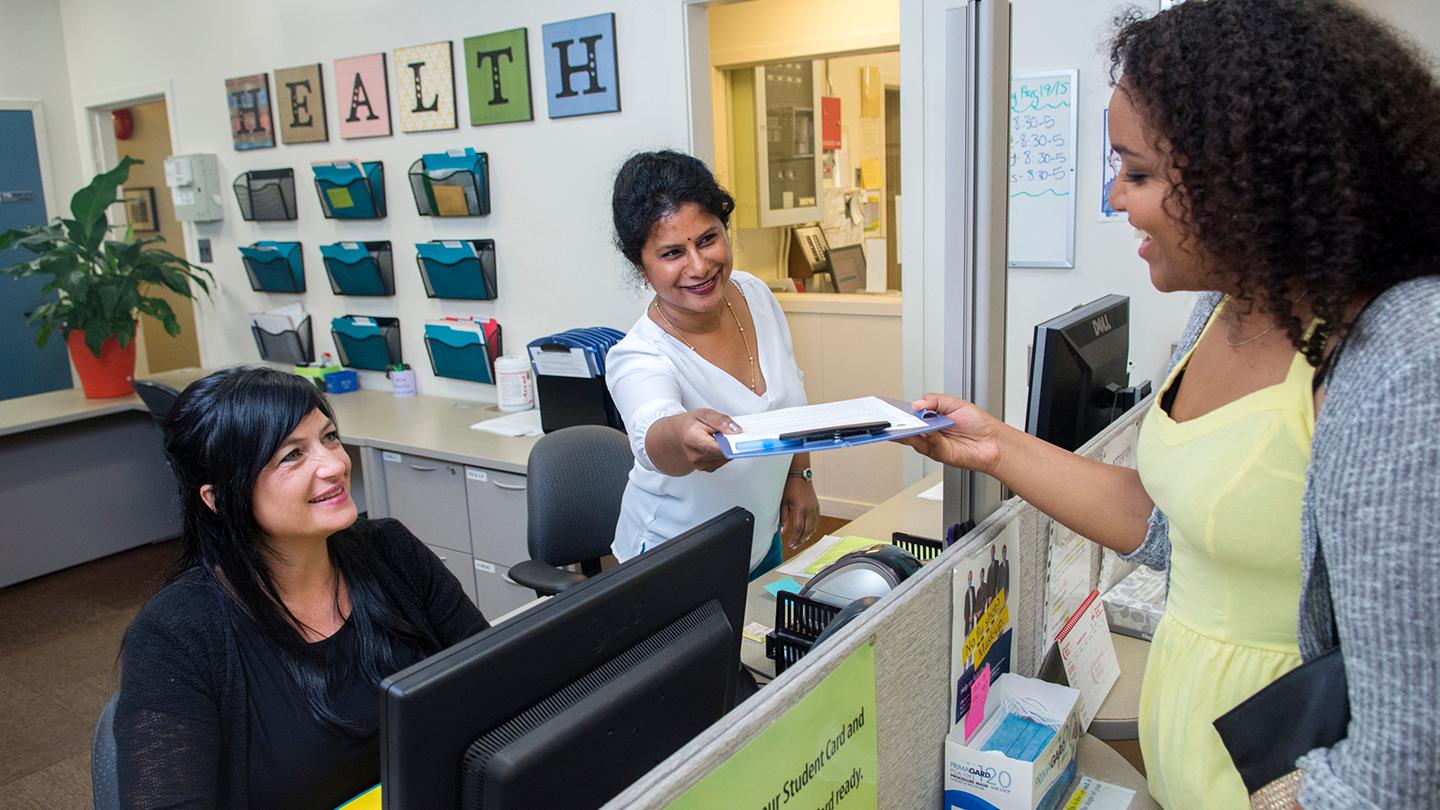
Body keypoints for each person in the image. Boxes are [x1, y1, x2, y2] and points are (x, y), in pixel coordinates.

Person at [903, 1, 1440, 806]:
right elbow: (1168, 527)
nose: (1117, 197)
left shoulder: (1396, 359)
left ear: (1247, 172)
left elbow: (1404, 761)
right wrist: (994, 446)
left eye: (1140, 172)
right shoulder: (1226, 304)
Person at [115, 368, 488, 807]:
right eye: (291, 455)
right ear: (218, 499)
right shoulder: (174, 636)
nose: (335, 464)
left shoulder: (392, 552)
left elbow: (494, 679)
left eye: (328, 437)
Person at [606, 150, 819, 579]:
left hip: (757, 541)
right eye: (672, 253)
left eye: (707, 239)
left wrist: (800, 474)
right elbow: (654, 433)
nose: (700, 266)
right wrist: (683, 434)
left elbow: (789, 397)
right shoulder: (639, 355)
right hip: (672, 562)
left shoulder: (755, 294)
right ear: (641, 268)